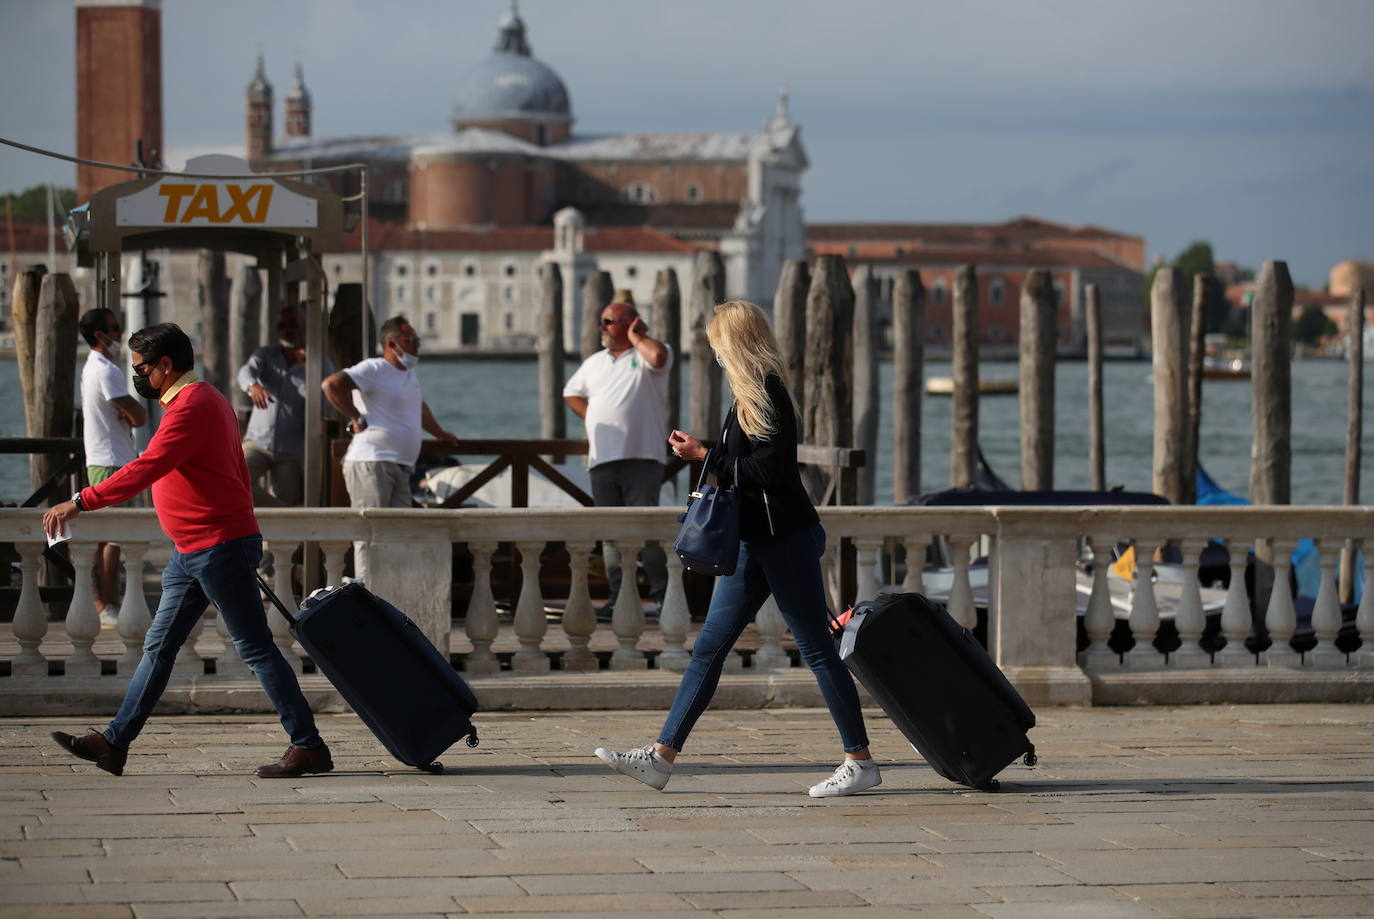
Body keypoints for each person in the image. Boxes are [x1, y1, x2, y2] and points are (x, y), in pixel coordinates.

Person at [594, 300, 879, 797]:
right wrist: (706, 450)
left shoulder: (768, 391)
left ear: (735, 344)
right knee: (708, 647)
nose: (715, 358)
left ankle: (860, 760)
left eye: (717, 349)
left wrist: (704, 453)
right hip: (754, 539)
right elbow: (746, 462)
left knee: (815, 648)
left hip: (785, 539)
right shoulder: (743, 397)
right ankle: (661, 758)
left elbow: (772, 470)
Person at [43, 322, 333, 779]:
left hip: (217, 545)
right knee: (158, 648)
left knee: (256, 649)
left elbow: (145, 467)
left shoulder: (191, 408)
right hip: (193, 548)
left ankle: (309, 745)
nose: (136, 376)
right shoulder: (205, 398)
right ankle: (114, 743)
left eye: (140, 368)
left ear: (164, 366)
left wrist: (81, 500)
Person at [322, 315, 459, 582]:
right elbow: (331, 385)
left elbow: (419, 407)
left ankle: (391, 591)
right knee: (370, 532)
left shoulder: (408, 375)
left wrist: (440, 433)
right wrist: (355, 417)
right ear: (392, 343)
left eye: (417, 340)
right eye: (411, 341)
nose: (417, 346)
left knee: (399, 531)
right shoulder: (374, 368)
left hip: (401, 465)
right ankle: (367, 590)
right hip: (371, 461)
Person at [562, 292, 672, 611]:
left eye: (609, 321)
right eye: (602, 321)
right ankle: (619, 598)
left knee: (647, 531)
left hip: (643, 458)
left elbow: (658, 358)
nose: (602, 327)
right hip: (602, 459)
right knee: (610, 535)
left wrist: (639, 337)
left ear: (631, 324)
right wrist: (593, 414)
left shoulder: (651, 355)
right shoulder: (594, 362)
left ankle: (662, 595)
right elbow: (570, 393)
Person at [77, 307, 147, 628]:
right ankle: (108, 603)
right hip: (113, 462)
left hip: (102, 459)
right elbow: (138, 414)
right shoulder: (108, 370)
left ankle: (105, 600)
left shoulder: (91, 368)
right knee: (113, 537)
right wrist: (132, 413)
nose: (120, 334)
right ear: (99, 335)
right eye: (115, 328)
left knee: (107, 536)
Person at [237, 304, 333, 507]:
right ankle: (274, 512)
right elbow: (246, 372)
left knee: (289, 500)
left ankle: (278, 524)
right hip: (258, 442)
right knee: (235, 481)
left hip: (291, 450)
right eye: (281, 325)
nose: (286, 330)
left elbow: (324, 402)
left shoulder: (320, 364)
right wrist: (252, 386)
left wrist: (308, 368)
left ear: (305, 326)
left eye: (292, 324)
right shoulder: (265, 355)